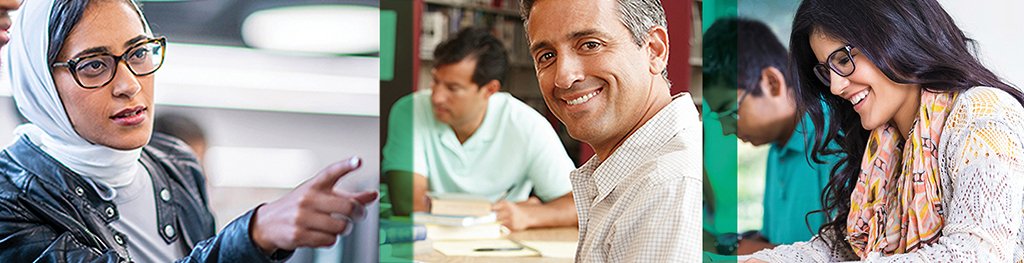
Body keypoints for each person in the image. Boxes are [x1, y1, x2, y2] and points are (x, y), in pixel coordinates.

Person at [0, 0, 377, 262]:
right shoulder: (9, 196)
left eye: (138, 53)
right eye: (95, 65)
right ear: (40, 83)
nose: (129, 84)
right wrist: (254, 236)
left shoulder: (176, 164)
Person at [748, 0, 1024, 261]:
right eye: (826, 71)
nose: (835, 87)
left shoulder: (982, 116)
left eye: (843, 60)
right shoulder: (884, 148)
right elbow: (841, 248)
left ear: (896, 33)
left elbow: (976, 254)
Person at [520, 0, 702, 261]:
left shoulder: (669, 187)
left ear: (654, 50)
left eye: (590, 45)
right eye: (547, 56)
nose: (564, 77)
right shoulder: (635, 173)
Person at [382, 27, 577, 231]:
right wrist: (492, 211)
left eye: (452, 88)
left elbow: (577, 206)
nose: (437, 96)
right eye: (435, 81)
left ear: (489, 90)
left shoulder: (527, 124)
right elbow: (410, 206)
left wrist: (529, 215)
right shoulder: (410, 110)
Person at [703, 17, 839, 254]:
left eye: (731, 112)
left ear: (772, 83)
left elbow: (842, 254)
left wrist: (730, 248)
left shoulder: (833, 139)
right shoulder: (777, 148)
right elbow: (777, 239)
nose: (726, 130)